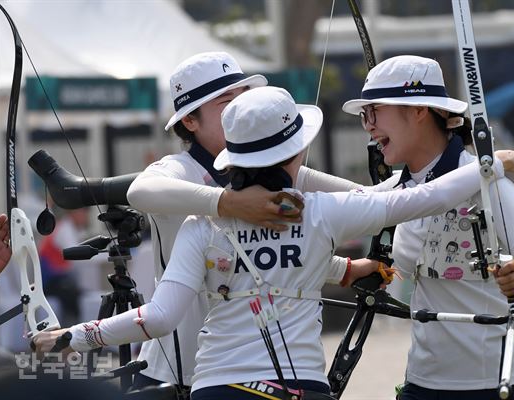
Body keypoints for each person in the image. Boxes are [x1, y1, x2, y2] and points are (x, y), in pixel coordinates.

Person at [33, 85, 514, 399]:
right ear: (298, 148)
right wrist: (495, 163)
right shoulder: (321, 212)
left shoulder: (201, 226)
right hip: (298, 388)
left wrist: (73, 336)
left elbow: (158, 318)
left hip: (217, 389)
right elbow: (423, 197)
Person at [123, 52, 380, 392]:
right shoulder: (179, 168)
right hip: (174, 367)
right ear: (190, 122)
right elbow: (140, 191)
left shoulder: (279, 169)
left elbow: (367, 198)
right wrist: (228, 202)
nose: (240, 109)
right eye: (226, 103)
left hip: (242, 369)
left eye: (244, 98)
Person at [341, 55, 514, 399]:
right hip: (421, 385)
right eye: (364, 116)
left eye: (374, 111)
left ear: (418, 110)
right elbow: (330, 199)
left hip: (494, 385)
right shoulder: (399, 193)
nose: (368, 126)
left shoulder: (488, 182)